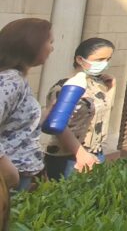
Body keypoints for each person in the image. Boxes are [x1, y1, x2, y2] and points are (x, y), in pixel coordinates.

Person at [43, 37, 115, 180]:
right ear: (80, 60)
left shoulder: (99, 83)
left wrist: (112, 86)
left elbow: (105, 111)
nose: (104, 64)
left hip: (95, 152)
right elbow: (58, 125)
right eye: (99, 60)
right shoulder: (65, 87)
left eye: (108, 59)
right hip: (68, 156)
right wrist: (80, 154)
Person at [0, 18, 53, 191]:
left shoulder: (17, 78)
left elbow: (16, 126)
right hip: (9, 179)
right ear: (30, 44)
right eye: (49, 42)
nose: (51, 48)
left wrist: (49, 110)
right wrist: (9, 171)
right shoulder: (11, 81)